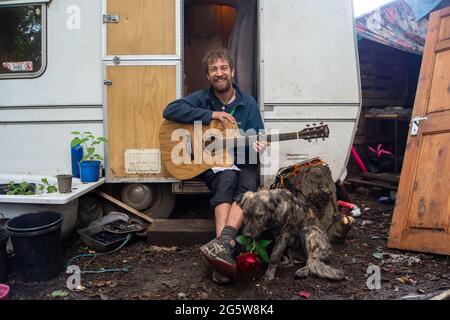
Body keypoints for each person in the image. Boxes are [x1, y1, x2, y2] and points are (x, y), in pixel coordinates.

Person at [162, 47, 268, 283]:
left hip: (243, 159)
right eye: (214, 69)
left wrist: (258, 145)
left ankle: (222, 249)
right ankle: (225, 249)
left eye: (223, 68)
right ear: (208, 76)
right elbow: (170, 110)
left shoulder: (247, 103)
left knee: (248, 184)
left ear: (232, 71)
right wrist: (212, 115)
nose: (219, 73)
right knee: (227, 179)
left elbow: (258, 136)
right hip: (213, 163)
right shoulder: (202, 97)